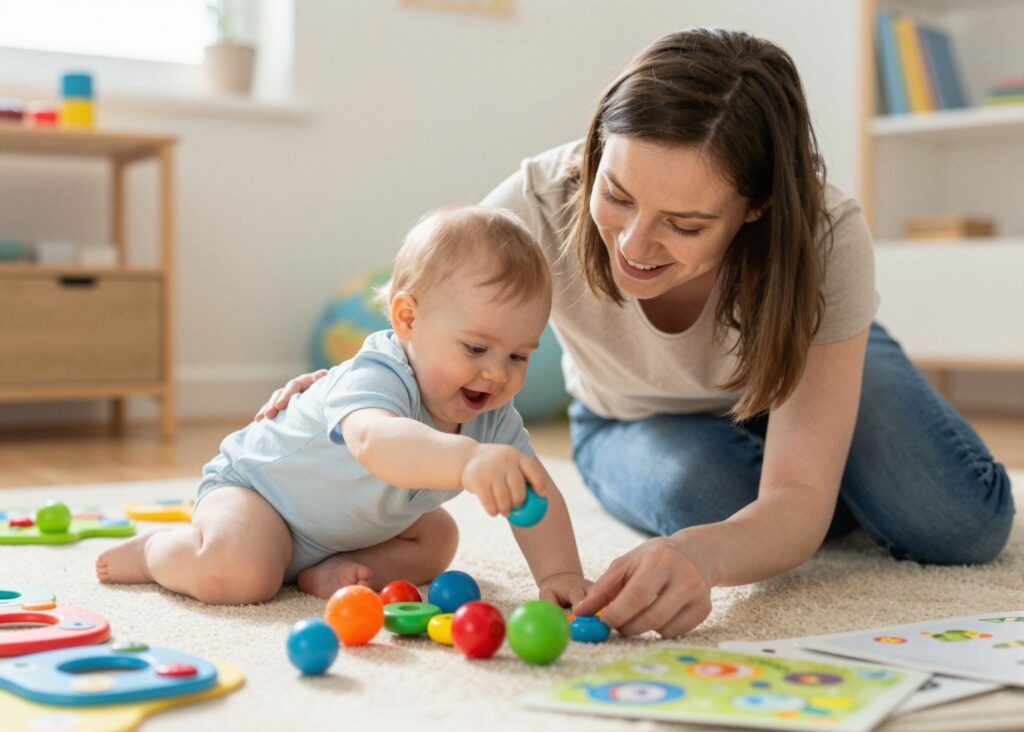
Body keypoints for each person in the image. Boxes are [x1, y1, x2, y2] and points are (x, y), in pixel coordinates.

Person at [255, 29, 1015, 635]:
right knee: (713, 505)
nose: (634, 246)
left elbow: (796, 494)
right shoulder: (540, 197)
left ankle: (823, 457)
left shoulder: (822, 233)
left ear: (755, 208)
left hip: (797, 369)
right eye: (617, 196)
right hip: (636, 421)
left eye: (684, 224)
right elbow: (431, 299)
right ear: (595, 157)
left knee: (956, 526)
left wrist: (735, 537)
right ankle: (821, 488)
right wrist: (362, 377)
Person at [96, 206, 590, 607]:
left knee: (438, 539)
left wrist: (562, 573)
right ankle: (155, 553)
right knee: (241, 576)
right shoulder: (379, 372)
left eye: (519, 355)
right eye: (477, 349)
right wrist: (468, 460)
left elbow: (535, 494)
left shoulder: (493, 416)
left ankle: (328, 572)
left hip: (345, 533)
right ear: (408, 319)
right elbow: (376, 444)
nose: (498, 373)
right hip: (260, 497)